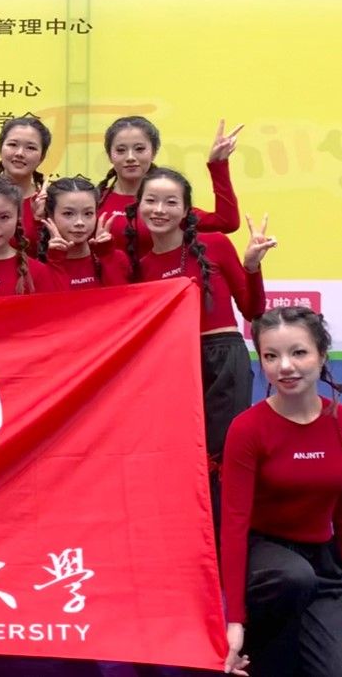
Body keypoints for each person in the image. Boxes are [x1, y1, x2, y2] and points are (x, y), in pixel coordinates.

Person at [221, 308, 342, 677]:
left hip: (323, 563)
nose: (285, 367)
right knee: (293, 578)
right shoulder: (247, 429)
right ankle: (260, 641)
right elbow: (234, 524)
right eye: (271, 356)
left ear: (322, 355)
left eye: (299, 352)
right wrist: (234, 621)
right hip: (265, 561)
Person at [127, 168, 276, 509]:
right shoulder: (141, 267)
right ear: (138, 207)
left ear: (186, 210)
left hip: (223, 359)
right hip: (173, 365)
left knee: (222, 454)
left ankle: (227, 528)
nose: (159, 210)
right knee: (181, 451)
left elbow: (253, 309)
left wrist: (252, 267)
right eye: (151, 201)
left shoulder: (216, 245)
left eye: (171, 202)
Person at [96, 116, 242, 257]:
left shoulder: (166, 203)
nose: (130, 157)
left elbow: (227, 223)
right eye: (121, 150)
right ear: (110, 155)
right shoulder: (96, 200)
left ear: (153, 153)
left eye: (139, 149)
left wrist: (218, 166)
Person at [37, 176, 129, 289]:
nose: (79, 222)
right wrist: (56, 262)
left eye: (88, 213)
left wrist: (107, 257)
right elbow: (57, 300)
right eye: (68, 214)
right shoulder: (38, 268)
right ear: (51, 215)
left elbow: (122, 297)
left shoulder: (117, 258)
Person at [0, 115, 52, 250]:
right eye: (13, 145)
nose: (20, 153)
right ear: (0, 149)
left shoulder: (50, 202)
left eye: (30, 148)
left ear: (42, 157)